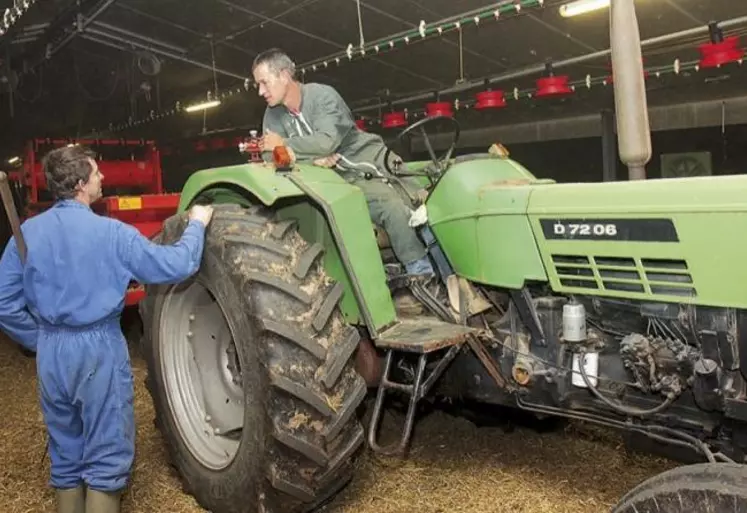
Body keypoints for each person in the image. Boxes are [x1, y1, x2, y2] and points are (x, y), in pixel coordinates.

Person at [0, 145, 214, 513]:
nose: (103, 178)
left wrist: (40, 339)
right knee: (106, 459)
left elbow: (4, 302)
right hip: (97, 349)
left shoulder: (27, 234)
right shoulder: (112, 233)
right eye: (97, 173)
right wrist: (196, 224)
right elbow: (177, 264)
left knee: (65, 454)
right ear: (82, 184)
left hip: (52, 353)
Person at [251, 47, 434, 277]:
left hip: (372, 159)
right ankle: (421, 273)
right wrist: (310, 160)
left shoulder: (322, 96)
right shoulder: (272, 115)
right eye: (258, 84)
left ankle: (437, 272)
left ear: (285, 75)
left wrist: (286, 144)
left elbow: (327, 141)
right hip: (342, 180)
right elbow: (270, 155)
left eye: (264, 82)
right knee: (390, 206)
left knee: (425, 202)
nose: (260, 91)